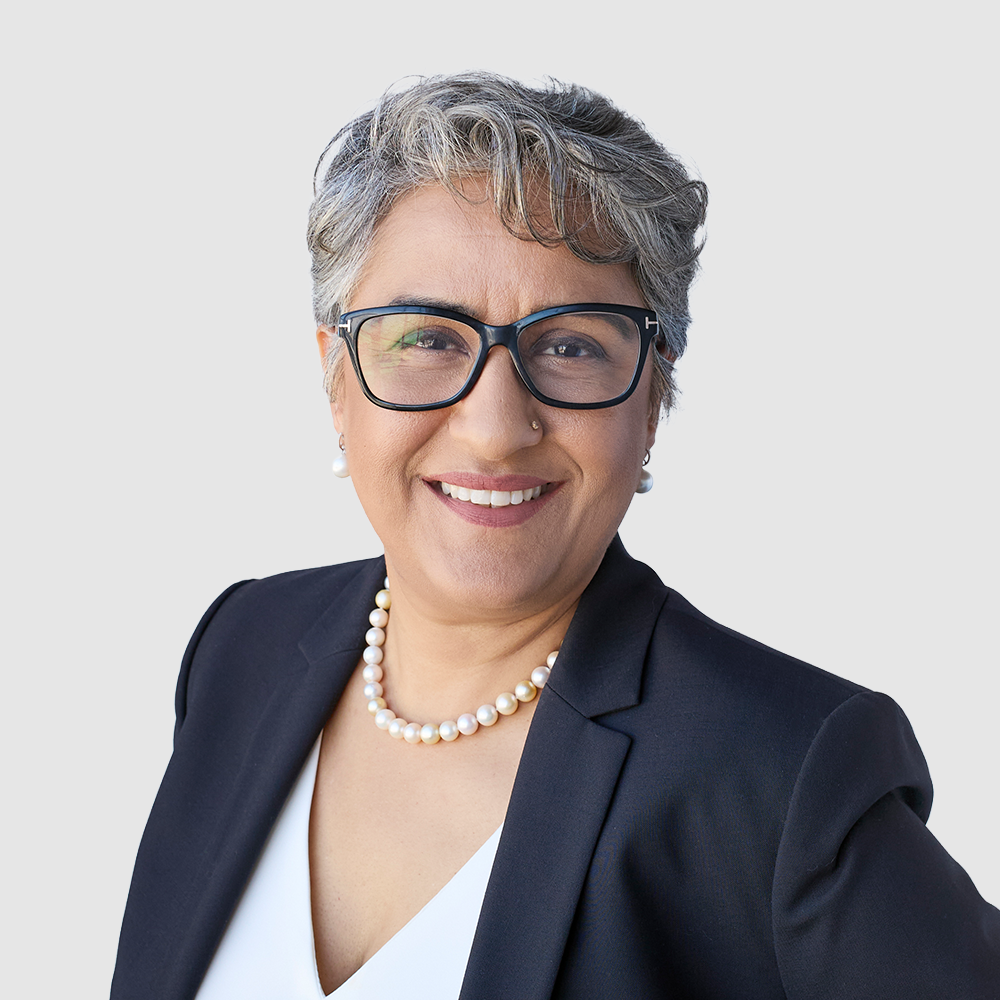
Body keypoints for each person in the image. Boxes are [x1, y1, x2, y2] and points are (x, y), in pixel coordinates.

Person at [111, 72, 1000, 999]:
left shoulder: (780, 772)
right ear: (337, 378)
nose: (496, 429)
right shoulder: (242, 649)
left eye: (571, 345)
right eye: (428, 338)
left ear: (651, 400)